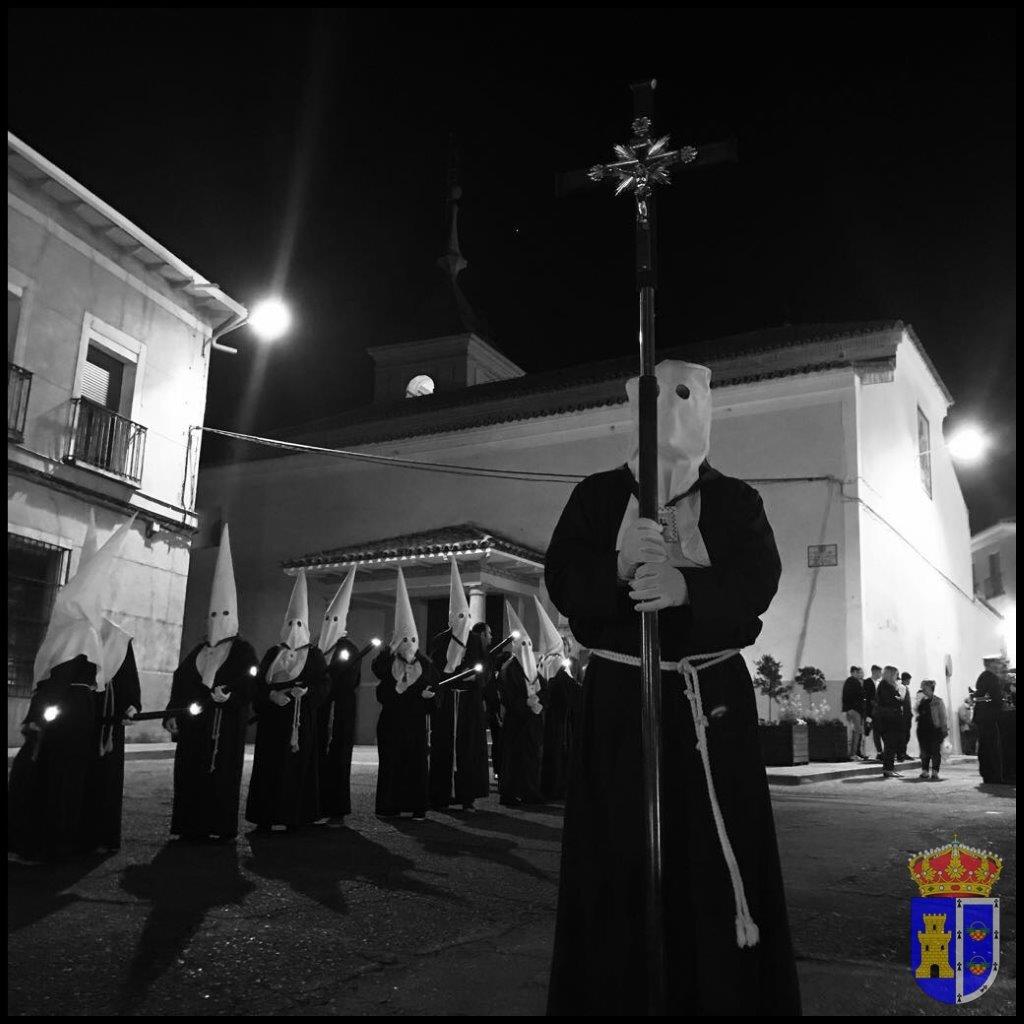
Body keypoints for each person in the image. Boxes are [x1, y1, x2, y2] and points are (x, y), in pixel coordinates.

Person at [545, 360, 800, 1016]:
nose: (668, 413)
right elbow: (563, 582)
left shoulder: (737, 501)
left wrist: (690, 588)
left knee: (713, 852)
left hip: (710, 701)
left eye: (684, 397)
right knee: (618, 852)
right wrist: (617, 566)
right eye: (654, 398)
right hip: (620, 702)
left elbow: (759, 581)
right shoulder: (595, 498)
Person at [8, 518, 134, 860]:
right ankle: (51, 839)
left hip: (67, 714)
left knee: (58, 777)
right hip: (70, 712)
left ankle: (52, 842)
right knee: (54, 775)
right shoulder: (75, 630)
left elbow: (60, 679)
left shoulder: (80, 632)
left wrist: (38, 716)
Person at [167, 524, 258, 841]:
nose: (218, 621)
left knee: (221, 773)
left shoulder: (243, 650)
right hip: (195, 726)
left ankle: (219, 826)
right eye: (214, 615)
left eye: (224, 615)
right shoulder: (199, 650)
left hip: (225, 726)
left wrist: (230, 697)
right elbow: (181, 682)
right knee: (190, 772)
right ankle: (189, 825)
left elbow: (251, 680)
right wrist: (173, 713)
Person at [246, 571, 328, 832]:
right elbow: (258, 683)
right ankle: (265, 817)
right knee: (268, 768)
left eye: (299, 624)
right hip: (272, 722)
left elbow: (324, 684)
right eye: (290, 623)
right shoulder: (273, 653)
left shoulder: (314, 656)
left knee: (296, 768)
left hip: (299, 723)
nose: (294, 629)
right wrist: (270, 696)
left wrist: (307, 693)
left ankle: (295, 817)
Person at [373, 568, 438, 820]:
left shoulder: (425, 664)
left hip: (415, 723)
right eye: (404, 640)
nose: (409, 644)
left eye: (412, 639)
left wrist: (430, 697)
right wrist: (395, 689)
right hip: (391, 723)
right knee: (391, 763)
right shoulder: (388, 663)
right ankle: (389, 805)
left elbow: (435, 687)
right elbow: (380, 682)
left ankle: (416, 806)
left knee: (416, 764)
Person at [427, 559, 490, 812]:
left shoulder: (475, 641)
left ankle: (466, 796)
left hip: (467, 704)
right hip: (446, 704)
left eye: (467, 616)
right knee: (443, 747)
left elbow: (485, 668)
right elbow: (435, 670)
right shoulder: (440, 641)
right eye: (459, 616)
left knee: (467, 749)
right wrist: (449, 674)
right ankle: (440, 795)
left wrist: (476, 678)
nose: (463, 620)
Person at [316, 567, 364, 822]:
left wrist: (328, 683)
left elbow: (350, 680)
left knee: (337, 758)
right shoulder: (316, 648)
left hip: (339, 712)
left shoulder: (348, 648)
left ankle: (335, 809)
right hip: (319, 710)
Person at [497, 603, 547, 807]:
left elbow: (543, 687)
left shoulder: (532, 668)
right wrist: (525, 703)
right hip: (516, 722)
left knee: (531, 757)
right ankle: (510, 794)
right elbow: (507, 696)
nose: (526, 647)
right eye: (522, 644)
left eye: (529, 644)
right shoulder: (509, 668)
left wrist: (540, 702)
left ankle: (530, 791)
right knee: (514, 758)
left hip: (532, 721)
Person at [537, 599, 576, 801]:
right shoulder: (558, 661)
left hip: (548, 711)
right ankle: (556, 786)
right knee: (557, 750)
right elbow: (564, 686)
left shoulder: (544, 660)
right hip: (558, 713)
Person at [973, 655, 1006, 784]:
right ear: (991, 664)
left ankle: (986, 773)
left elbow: (981, 697)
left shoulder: (982, 677)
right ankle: (993, 774)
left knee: (984, 746)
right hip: (989, 717)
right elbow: (996, 698)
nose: (998, 666)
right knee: (991, 747)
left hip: (982, 717)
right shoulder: (991, 678)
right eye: (996, 663)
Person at [873, 666, 906, 778]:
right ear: (890, 674)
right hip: (887, 720)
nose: (897, 677)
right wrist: (899, 699)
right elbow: (891, 700)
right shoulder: (885, 685)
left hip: (889, 719)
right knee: (890, 745)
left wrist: (898, 698)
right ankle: (888, 769)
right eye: (896, 674)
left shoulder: (887, 685)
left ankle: (889, 768)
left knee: (890, 745)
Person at [915, 680, 948, 780]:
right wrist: (918, 702)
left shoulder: (938, 701)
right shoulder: (921, 700)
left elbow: (943, 716)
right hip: (922, 729)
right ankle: (925, 771)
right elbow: (916, 711)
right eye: (922, 688)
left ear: (930, 688)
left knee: (935, 751)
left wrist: (944, 729)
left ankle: (935, 772)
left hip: (935, 729)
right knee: (924, 751)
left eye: (924, 687)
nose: (923, 690)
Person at [841, 666, 868, 762]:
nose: (860, 674)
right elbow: (860, 695)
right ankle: (853, 754)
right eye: (858, 672)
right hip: (855, 710)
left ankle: (854, 753)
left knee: (855, 731)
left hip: (851, 709)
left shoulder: (849, 681)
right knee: (857, 732)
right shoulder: (853, 681)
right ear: (853, 672)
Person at [863, 665, 883, 760]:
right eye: (879, 672)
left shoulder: (880, 683)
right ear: (874, 672)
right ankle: (865, 753)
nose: (880, 674)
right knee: (867, 731)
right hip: (869, 711)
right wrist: (867, 714)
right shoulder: (867, 682)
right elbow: (866, 698)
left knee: (877, 732)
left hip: (878, 712)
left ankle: (879, 752)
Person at [897, 671, 914, 761]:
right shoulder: (901, 687)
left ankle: (903, 752)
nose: (909, 681)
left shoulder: (905, 687)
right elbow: (901, 700)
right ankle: (901, 753)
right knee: (903, 735)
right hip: (904, 715)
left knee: (906, 735)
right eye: (909, 680)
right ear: (906, 679)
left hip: (907, 714)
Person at [958, 690, 978, 754]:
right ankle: (968, 751)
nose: (972, 702)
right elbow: (963, 717)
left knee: (972, 739)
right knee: (967, 740)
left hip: (971, 726)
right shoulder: (962, 708)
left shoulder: (969, 708)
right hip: (966, 727)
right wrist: (970, 723)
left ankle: (972, 751)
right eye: (971, 701)